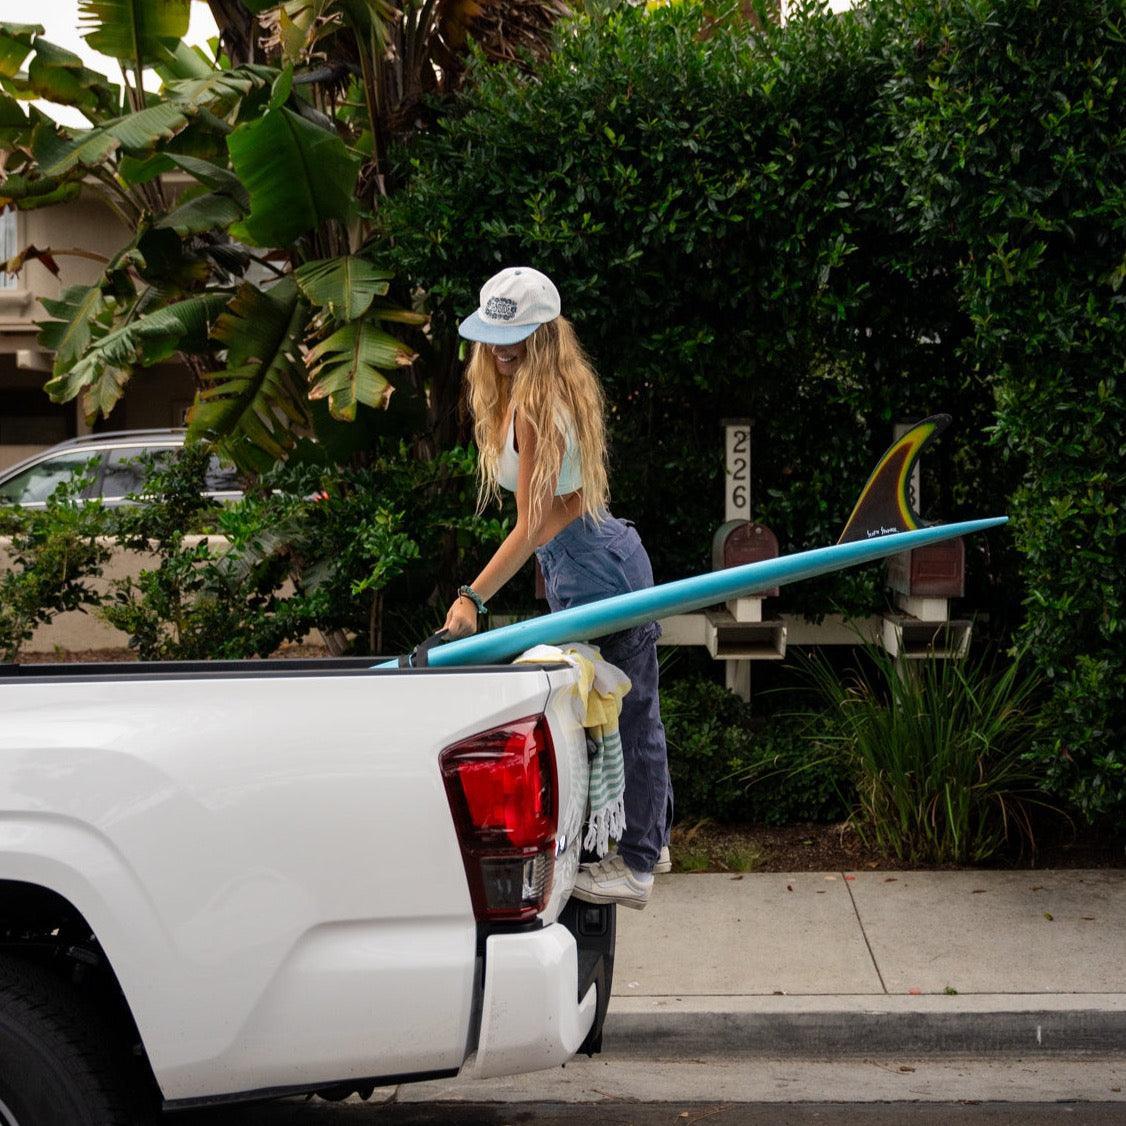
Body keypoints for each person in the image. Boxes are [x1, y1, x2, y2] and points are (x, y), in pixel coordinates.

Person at [442, 266, 671, 909]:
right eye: (493, 335)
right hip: (590, 557)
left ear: (544, 333)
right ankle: (648, 843)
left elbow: (530, 525)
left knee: (626, 713)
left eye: (513, 335)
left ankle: (638, 864)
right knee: (620, 710)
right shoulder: (546, 389)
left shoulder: (538, 405)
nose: (499, 348)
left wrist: (472, 598)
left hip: (592, 564)